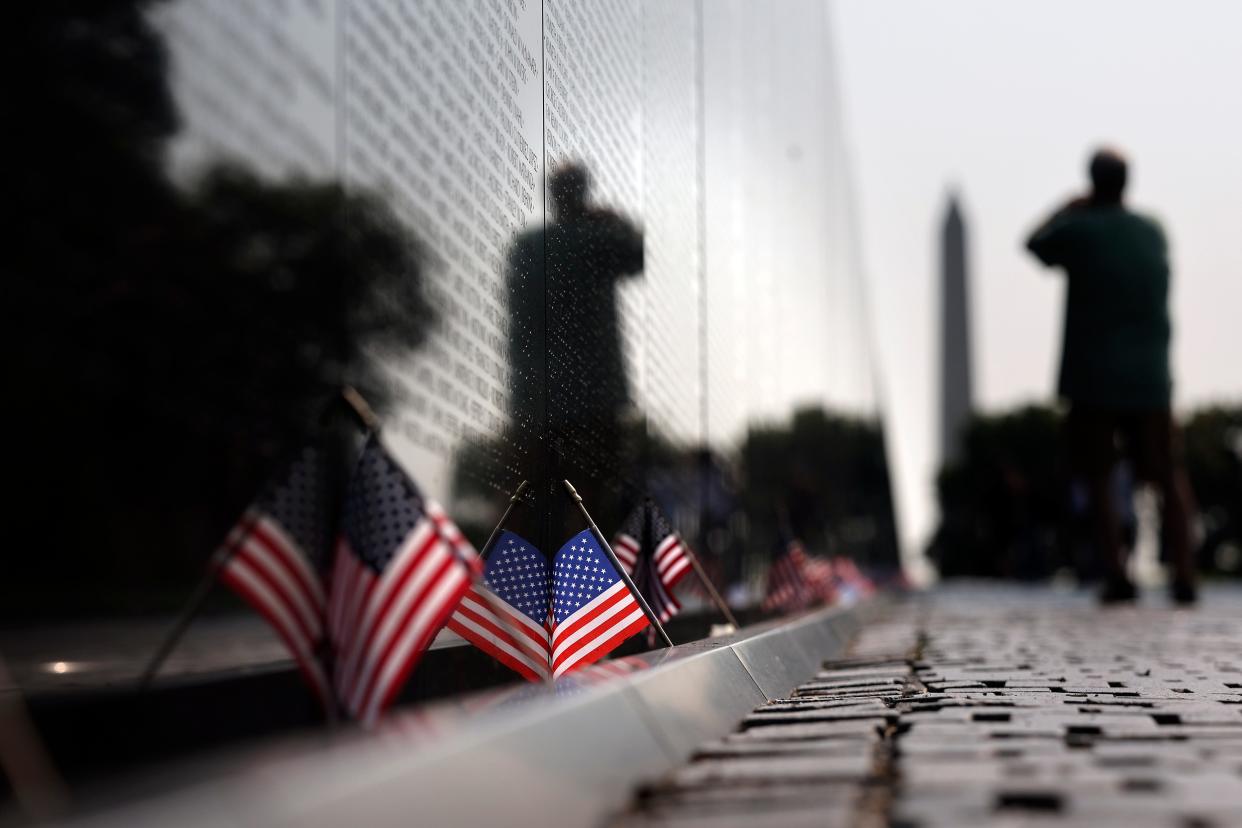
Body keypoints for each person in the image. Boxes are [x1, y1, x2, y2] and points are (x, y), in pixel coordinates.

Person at [1026, 147, 1198, 605]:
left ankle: (1118, 574)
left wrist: (1068, 207)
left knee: (1099, 475)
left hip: (1094, 375)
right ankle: (1185, 571)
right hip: (1149, 373)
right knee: (1166, 474)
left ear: (1093, 182)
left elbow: (1034, 244)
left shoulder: (1080, 231)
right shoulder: (1152, 229)